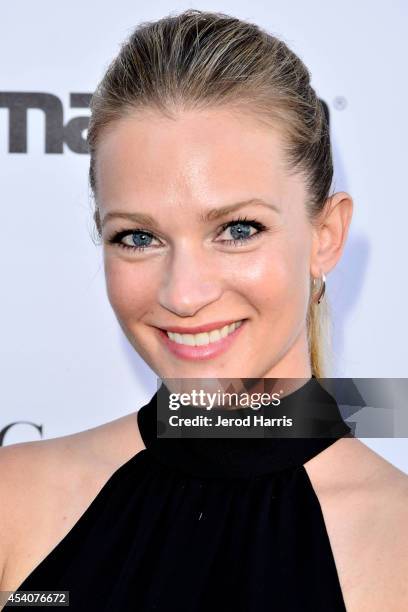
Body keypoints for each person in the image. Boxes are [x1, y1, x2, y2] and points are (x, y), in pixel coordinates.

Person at [1, 8, 407, 612]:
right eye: (138, 237)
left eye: (238, 229)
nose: (183, 295)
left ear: (325, 235)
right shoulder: (13, 500)